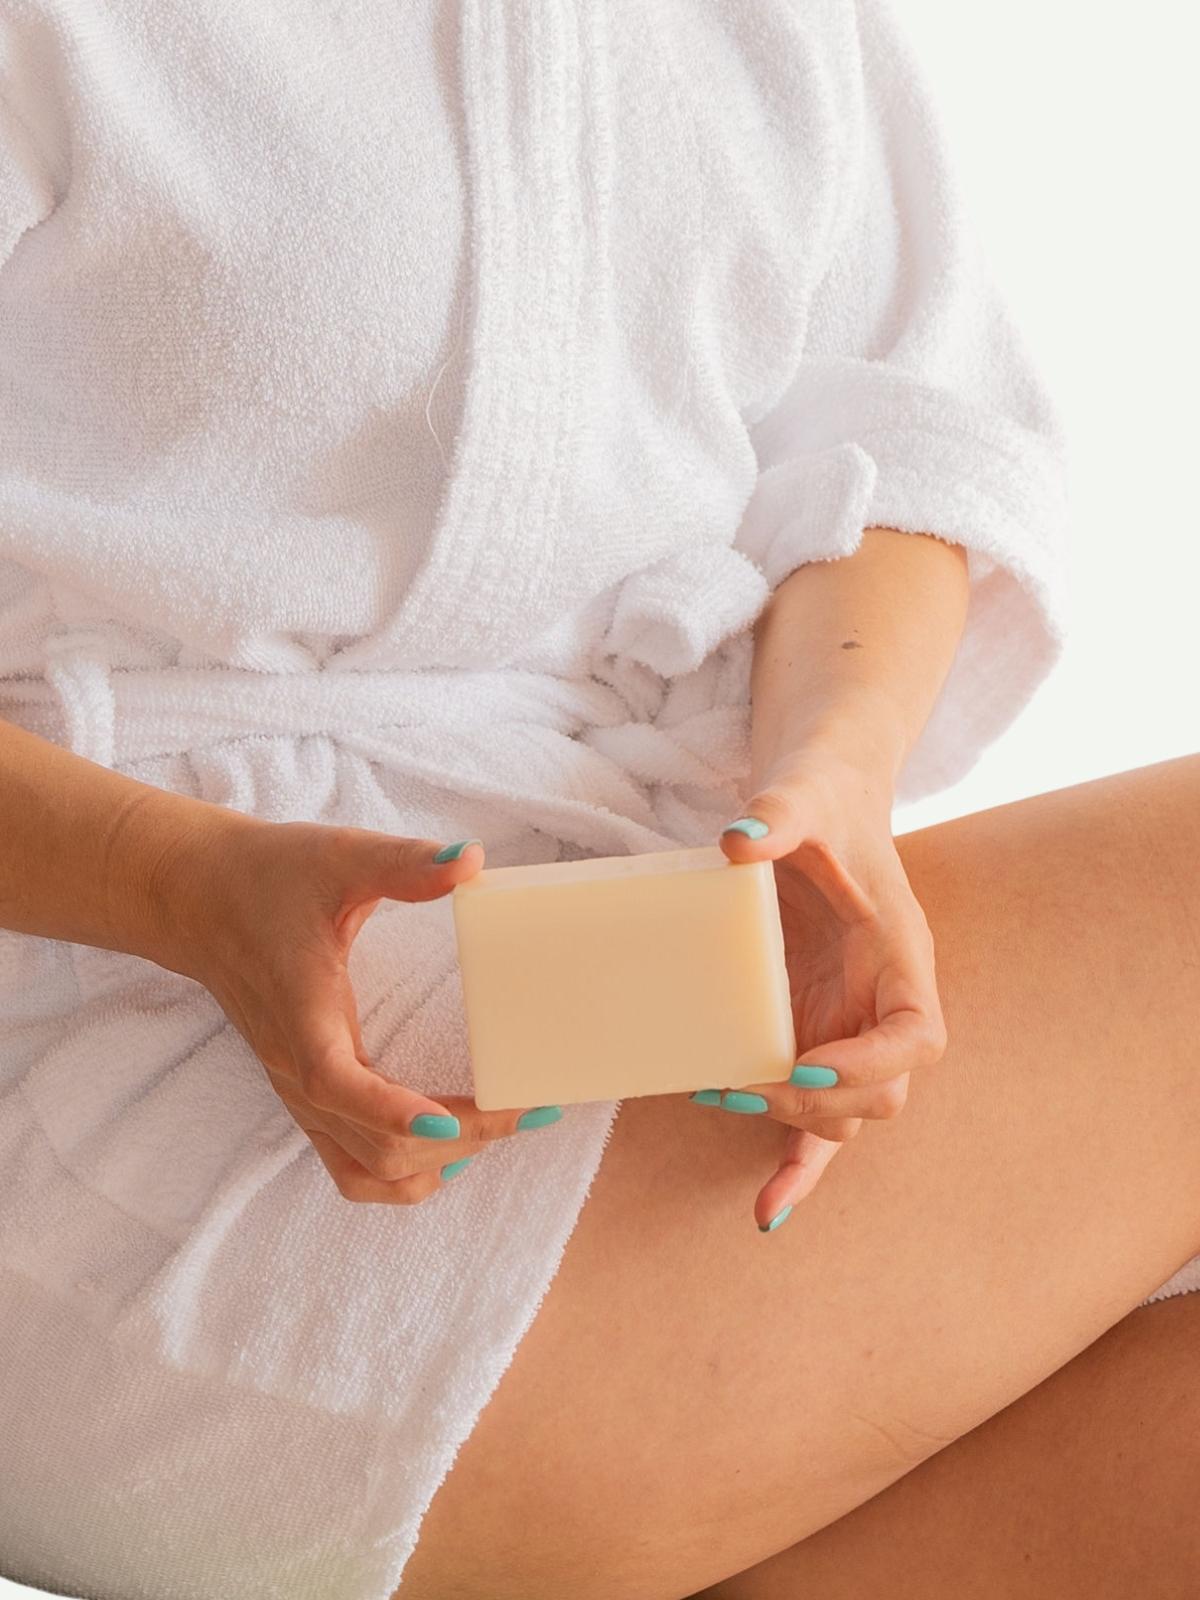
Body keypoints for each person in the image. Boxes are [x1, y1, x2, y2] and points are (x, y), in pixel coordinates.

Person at [0, 2, 1195, 1598]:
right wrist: (177, 882)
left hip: (641, 921)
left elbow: (901, 436)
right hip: (118, 1029)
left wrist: (830, 779)